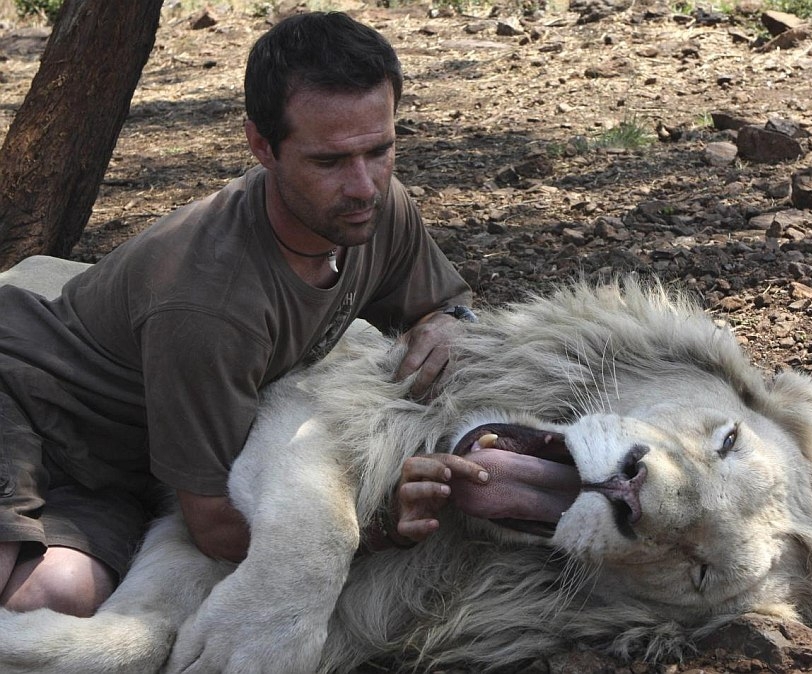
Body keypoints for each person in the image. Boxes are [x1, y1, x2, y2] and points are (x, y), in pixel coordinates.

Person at [0, 11, 487, 618]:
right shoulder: (213, 306)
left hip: (119, 465)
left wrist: (448, 319)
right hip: (18, 396)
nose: (364, 185)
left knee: (52, 600)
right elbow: (214, 528)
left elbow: (442, 305)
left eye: (380, 149)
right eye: (330, 161)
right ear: (262, 146)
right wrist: (377, 525)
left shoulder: (375, 210)